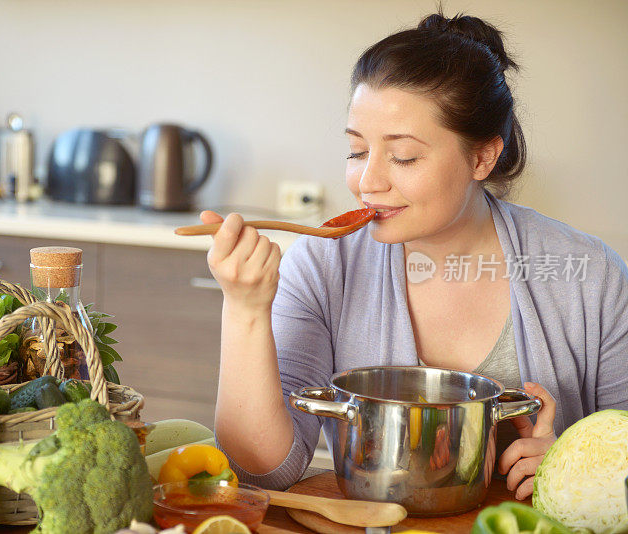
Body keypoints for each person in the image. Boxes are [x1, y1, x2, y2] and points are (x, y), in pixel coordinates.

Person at [199, 12, 628, 501]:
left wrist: (573, 468)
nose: (367, 182)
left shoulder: (590, 275)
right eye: (357, 151)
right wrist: (245, 310)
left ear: (482, 158)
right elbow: (261, 473)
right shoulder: (323, 265)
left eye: (403, 157)